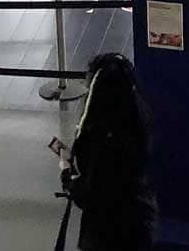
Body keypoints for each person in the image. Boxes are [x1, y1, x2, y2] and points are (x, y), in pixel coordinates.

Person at [61, 53, 156, 251]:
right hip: (139, 224)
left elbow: (91, 195)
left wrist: (68, 179)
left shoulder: (97, 137)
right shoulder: (139, 123)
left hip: (104, 233)